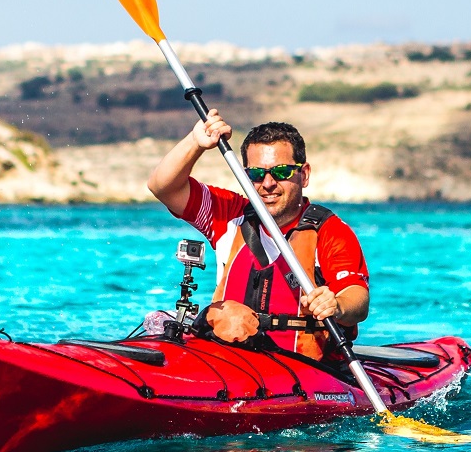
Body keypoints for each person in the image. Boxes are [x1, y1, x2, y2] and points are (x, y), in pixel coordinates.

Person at [148, 112, 369, 361]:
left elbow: (357, 298)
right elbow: (162, 187)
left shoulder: (330, 231)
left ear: (304, 174)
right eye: (256, 174)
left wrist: (337, 305)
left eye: (282, 172)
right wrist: (195, 142)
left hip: (307, 368)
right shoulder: (229, 216)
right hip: (230, 359)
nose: (268, 183)